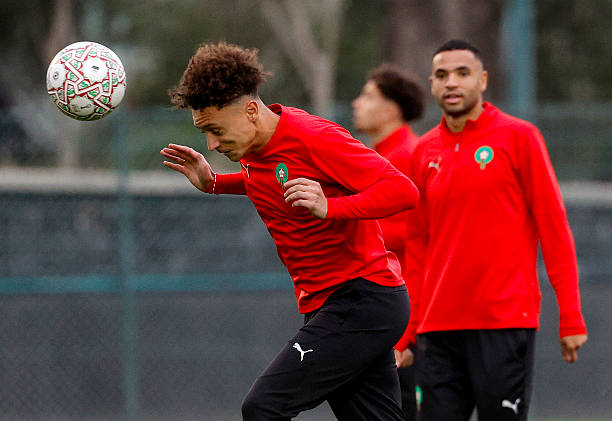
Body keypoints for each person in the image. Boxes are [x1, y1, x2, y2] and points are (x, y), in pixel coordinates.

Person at [160, 41, 420, 421]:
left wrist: (331, 207)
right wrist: (215, 182)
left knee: (263, 407)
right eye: (205, 132)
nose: (212, 144)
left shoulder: (313, 137)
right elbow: (268, 179)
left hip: (361, 299)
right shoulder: (252, 146)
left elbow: (403, 191)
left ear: (251, 111)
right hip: (333, 304)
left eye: (216, 130)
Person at [405, 39, 588, 420]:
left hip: (504, 323)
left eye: (462, 73)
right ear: (432, 84)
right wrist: (409, 330)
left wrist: (570, 315)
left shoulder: (519, 137)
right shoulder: (424, 151)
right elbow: (417, 246)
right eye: (442, 75)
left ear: (483, 80)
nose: (452, 82)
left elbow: (554, 228)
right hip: (437, 330)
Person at [352, 63, 424, 421]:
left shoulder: (409, 158)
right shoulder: (377, 159)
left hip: (407, 318)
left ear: (393, 108)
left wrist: (407, 333)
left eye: (368, 96)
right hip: (384, 312)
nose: (357, 103)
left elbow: (417, 247)